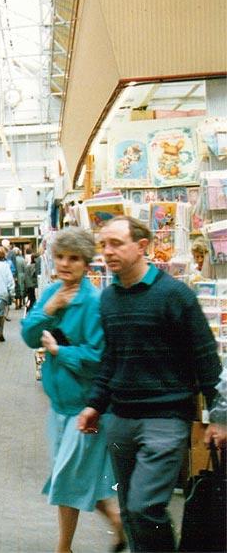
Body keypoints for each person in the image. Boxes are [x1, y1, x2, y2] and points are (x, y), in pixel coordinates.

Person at [77, 217, 222, 552]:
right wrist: (95, 404)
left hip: (166, 420)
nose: (108, 252)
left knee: (145, 507)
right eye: (104, 245)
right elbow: (111, 359)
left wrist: (218, 416)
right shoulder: (109, 299)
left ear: (142, 246)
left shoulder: (175, 295)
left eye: (116, 243)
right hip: (121, 420)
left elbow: (206, 359)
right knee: (130, 510)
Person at [21, 228, 124, 553]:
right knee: (74, 474)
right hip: (59, 407)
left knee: (67, 477)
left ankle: (63, 548)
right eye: (61, 256)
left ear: (86, 264)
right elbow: (27, 336)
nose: (65, 264)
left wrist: (59, 352)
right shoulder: (52, 291)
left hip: (87, 410)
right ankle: (120, 522)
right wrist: (48, 309)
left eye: (74, 258)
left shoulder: (94, 302)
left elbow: (98, 357)